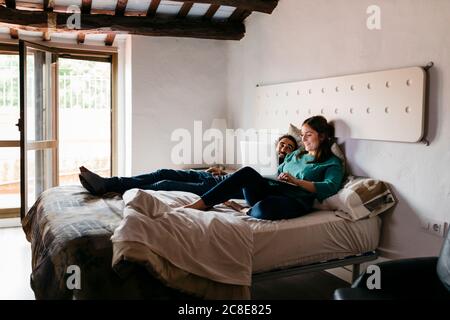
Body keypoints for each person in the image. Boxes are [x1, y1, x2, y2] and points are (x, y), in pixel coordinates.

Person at [184, 116, 344, 221]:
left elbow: (330, 187)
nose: (303, 139)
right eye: (302, 134)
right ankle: (201, 204)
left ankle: (244, 210)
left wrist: (297, 181)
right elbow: (276, 172)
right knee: (247, 172)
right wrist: (270, 174)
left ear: (322, 136)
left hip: (295, 200)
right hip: (271, 190)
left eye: (308, 134)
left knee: (266, 208)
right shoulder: (295, 155)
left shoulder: (332, 163)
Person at [78, 134, 298, 197]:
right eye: (281, 144)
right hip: (218, 177)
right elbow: (243, 173)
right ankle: (109, 182)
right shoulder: (262, 158)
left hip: (224, 189)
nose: (283, 148)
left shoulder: (285, 171)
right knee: (162, 172)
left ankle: (111, 189)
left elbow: (255, 185)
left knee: (165, 184)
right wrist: (224, 171)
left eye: (289, 147)